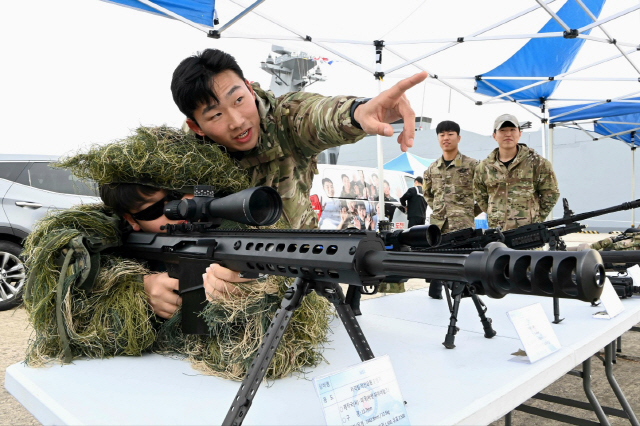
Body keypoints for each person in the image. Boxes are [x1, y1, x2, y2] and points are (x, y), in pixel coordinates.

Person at [22, 127, 331, 380]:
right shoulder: (104, 241)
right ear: (130, 221)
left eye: (180, 194)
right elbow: (58, 315)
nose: (178, 210)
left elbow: (286, 334)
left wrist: (249, 298)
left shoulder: (236, 232)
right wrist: (139, 291)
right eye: (157, 208)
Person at [172, 48, 427, 231]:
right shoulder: (180, 156)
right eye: (216, 114)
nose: (236, 121)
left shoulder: (286, 119)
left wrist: (358, 112)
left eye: (238, 99)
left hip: (295, 256)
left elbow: (318, 115)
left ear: (250, 89)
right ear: (196, 127)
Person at [423, 120, 480, 299]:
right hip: (439, 225)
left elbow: (485, 194)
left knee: (463, 262)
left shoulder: (472, 166)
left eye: (450, 134)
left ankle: (463, 294)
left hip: (463, 225)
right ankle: (435, 294)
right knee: (437, 262)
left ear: (458, 137)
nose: (446, 138)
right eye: (442, 135)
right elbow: (428, 194)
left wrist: (469, 212)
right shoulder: (432, 168)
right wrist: (441, 211)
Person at [474, 113, 560, 231]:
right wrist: (493, 214)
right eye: (503, 130)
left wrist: (536, 218)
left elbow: (551, 193)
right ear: (494, 136)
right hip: (497, 232)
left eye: (512, 130)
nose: (508, 134)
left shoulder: (537, 163)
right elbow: (480, 196)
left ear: (519, 134)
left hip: (528, 234)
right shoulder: (484, 167)